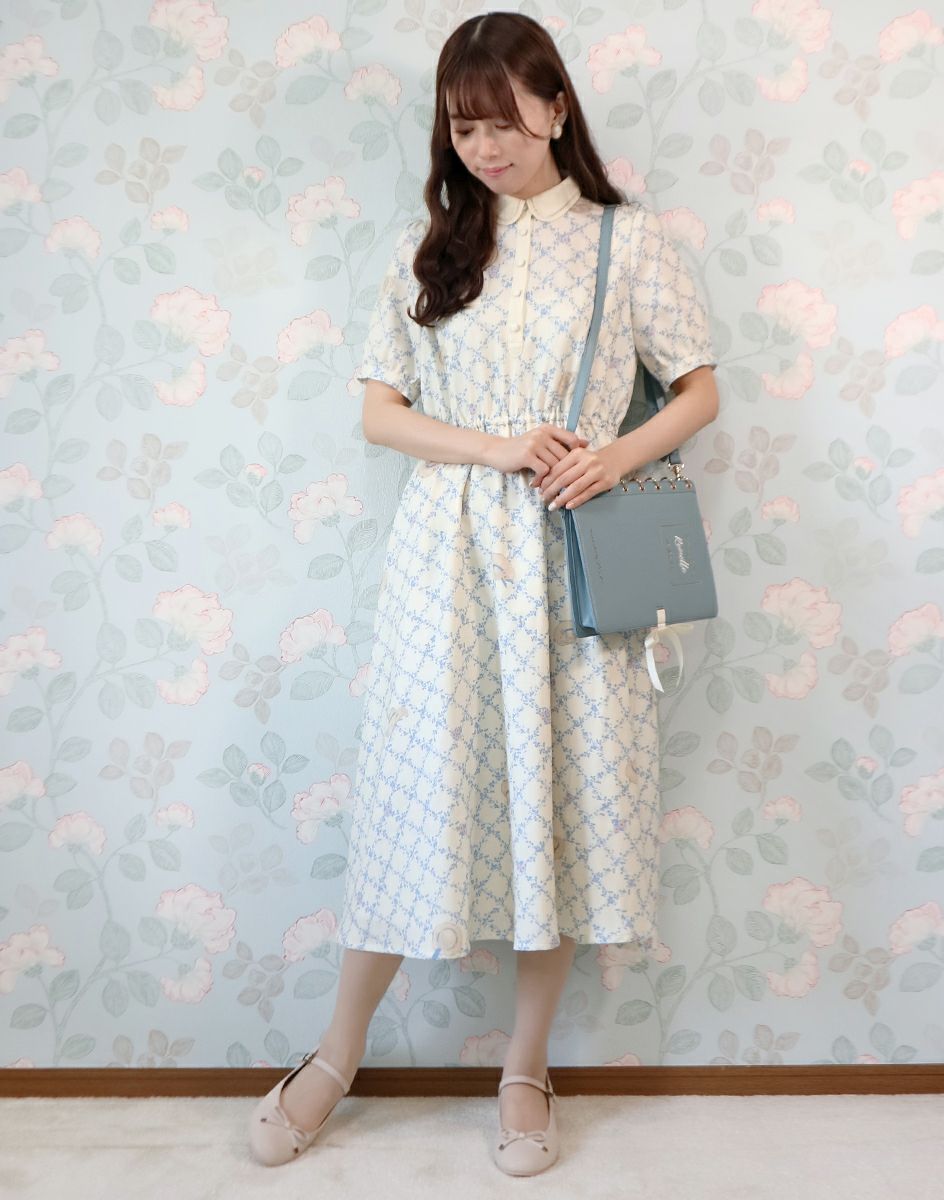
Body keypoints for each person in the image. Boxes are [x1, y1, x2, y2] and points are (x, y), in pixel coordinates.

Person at [249, 10, 719, 1176]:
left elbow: (699, 390)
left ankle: (524, 1067)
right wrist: (497, 446)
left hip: (574, 552)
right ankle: (335, 1056)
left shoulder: (626, 241)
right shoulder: (433, 248)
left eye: (503, 121)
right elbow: (381, 414)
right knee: (415, 797)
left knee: (560, 801)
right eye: (464, 128)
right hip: (448, 557)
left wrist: (612, 457)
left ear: (556, 108)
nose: (486, 147)